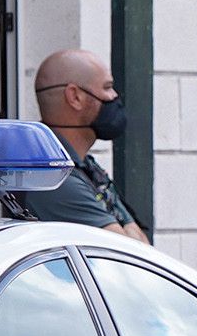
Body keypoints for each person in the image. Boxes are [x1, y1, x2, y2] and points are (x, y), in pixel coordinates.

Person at [19, 47, 146, 239]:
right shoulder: (53, 178)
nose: (114, 97)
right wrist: (124, 229)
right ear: (75, 97)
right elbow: (131, 254)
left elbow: (140, 243)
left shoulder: (85, 167)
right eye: (107, 87)